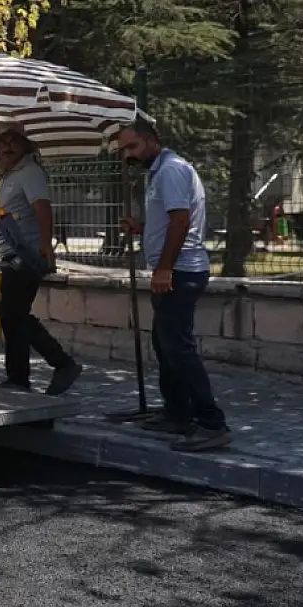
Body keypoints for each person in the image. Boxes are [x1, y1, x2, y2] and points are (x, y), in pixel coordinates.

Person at [117, 119, 231, 452]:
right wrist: (142, 228)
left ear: (152, 141)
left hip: (180, 272)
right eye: (123, 150)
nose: (128, 155)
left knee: (178, 347)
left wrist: (164, 268)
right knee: (165, 343)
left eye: (133, 147)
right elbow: (171, 218)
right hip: (172, 271)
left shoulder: (170, 170)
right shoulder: (159, 171)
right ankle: (177, 412)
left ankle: (212, 423)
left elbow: (181, 221)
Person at [0, 123, 82, 395]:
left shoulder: (29, 172)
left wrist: (46, 246)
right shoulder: (10, 175)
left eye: (13, 141)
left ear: (25, 144)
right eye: (2, 142)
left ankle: (62, 363)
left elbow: (42, 208)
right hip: (11, 255)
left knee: (15, 313)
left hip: (27, 255)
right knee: (12, 317)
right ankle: (18, 378)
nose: (6, 146)